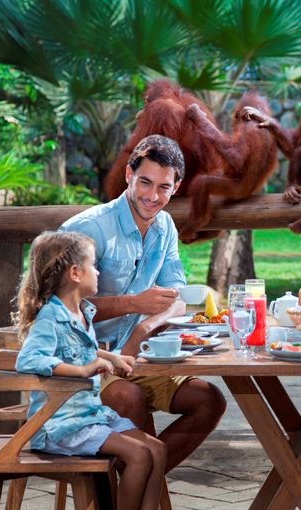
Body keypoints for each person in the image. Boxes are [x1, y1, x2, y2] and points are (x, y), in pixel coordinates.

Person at [60, 134, 226, 473]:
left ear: (176, 187)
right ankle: (138, 488)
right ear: (128, 176)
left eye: (163, 187)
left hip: (135, 358)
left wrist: (145, 327)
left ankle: (138, 484)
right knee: (129, 399)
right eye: (145, 182)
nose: (152, 196)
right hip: (80, 363)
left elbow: (176, 295)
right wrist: (133, 303)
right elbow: (58, 306)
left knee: (208, 400)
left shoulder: (164, 226)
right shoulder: (89, 230)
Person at [15, 231, 167, 510]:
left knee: (157, 450)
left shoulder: (81, 311)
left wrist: (113, 357)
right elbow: (29, 360)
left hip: (90, 416)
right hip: (61, 425)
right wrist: (83, 370)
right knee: (140, 456)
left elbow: (79, 347)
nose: (99, 271)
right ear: (75, 273)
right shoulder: (51, 317)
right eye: (94, 265)